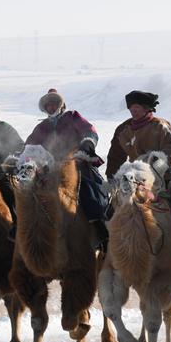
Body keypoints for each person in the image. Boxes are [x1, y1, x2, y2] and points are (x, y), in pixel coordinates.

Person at [106, 90, 171, 261]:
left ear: (146, 108)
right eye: (131, 108)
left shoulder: (160, 126)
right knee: (110, 207)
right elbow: (115, 156)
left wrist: (156, 167)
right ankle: (107, 244)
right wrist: (112, 177)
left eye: (137, 107)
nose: (133, 111)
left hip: (163, 174)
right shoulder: (124, 130)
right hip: (135, 175)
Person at [25, 88, 107, 246]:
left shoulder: (73, 117)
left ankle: (98, 224)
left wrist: (87, 143)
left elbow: (89, 130)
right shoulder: (42, 127)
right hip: (50, 168)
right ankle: (23, 228)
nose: (51, 107)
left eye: (53, 104)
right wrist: (25, 155)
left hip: (76, 162)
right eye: (48, 105)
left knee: (88, 188)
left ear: (60, 104)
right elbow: (30, 144)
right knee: (30, 192)